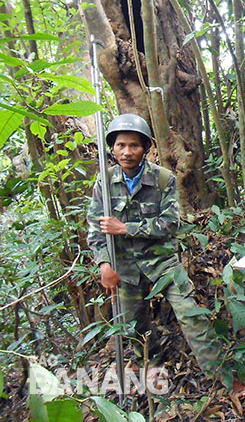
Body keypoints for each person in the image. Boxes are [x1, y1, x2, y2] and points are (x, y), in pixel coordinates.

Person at [86, 113, 218, 371]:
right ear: (112, 148)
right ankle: (152, 367)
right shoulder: (105, 181)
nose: (126, 152)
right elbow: (95, 228)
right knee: (133, 326)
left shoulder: (162, 178)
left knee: (192, 317)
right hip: (124, 267)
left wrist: (126, 228)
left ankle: (220, 373)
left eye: (134, 145)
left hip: (162, 263)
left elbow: (170, 223)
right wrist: (104, 266)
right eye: (120, 145)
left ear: (146, 148)